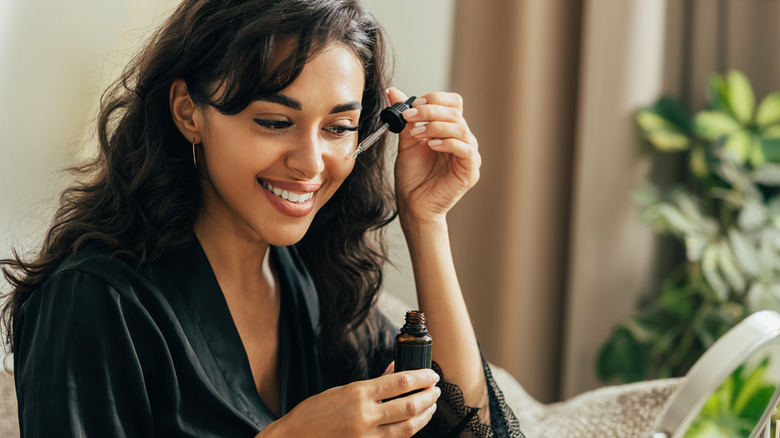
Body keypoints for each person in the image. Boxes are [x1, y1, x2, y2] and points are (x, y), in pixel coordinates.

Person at [2, 0, 522, 436]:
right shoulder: (92, 301)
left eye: (339, 127)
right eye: (275, 121)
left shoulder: (315, 280)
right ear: (188, 111)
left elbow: (468, 431)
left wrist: (426, 221)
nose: (311, 163)